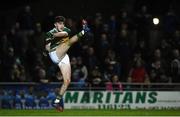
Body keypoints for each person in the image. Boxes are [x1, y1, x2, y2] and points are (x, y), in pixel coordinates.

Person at [45, 16, 90, 111]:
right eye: (59, 23)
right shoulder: (49, 33)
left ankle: (56, 102)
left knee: (67, 81)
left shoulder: (66, 30)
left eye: (63, 23)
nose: (62, 25)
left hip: (64, 55)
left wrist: (56, 36)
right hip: (55, 54)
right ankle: (84, 31)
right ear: (55, 24)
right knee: (68, 43)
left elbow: (65, 33)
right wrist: (47, 49)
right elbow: (48, 47)